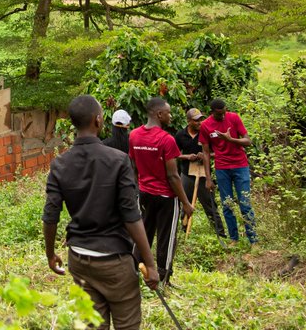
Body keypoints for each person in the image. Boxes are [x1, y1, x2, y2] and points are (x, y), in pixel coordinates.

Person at [44, 95, 159, 330]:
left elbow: (50, 215)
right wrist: (150, 264)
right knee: (127, 323)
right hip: (114, 261)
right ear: (98, 120)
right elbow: (131, 216)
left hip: (79, 259)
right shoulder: (119, 160)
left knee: (92, 325)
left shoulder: (60, 164)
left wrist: (50, 254)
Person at [128, 97, 194, 285]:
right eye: (168, 112)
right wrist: (186, 203)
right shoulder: (167, 140)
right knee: (167, 237)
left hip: (145, 194)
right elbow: (173, 176)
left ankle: (133, 273)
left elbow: (133, 166)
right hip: (166, 197)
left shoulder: (134, 135)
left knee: (144, 234)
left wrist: (138, 189)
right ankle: (163, 279)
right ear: (159, 114)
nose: (170, 116)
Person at [199, 98, 258, 244]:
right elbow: (205, 153)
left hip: (240, 165)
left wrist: (230, 139)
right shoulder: (205, 125)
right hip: (222, 168)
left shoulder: (234, 118)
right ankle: (234, 239)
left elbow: (248, 141)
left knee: (245, 203)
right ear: (212, 112)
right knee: (227, 204)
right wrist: (208, 178)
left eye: (224, 112)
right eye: (219, 114)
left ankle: (253, 239)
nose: (223, 116)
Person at [173, 108, 226, 239]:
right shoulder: (180, 135)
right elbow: (174, 154)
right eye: (196, 120)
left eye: (201, 119)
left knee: (210, 204)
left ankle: (221, 234)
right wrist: (187, 157)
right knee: (185, 203)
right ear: (189, 121)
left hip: (203, 174)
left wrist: (206, 155)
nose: (200, 123)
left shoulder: (206, 133)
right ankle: (183, 231)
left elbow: (216, 152)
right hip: (186, 174)